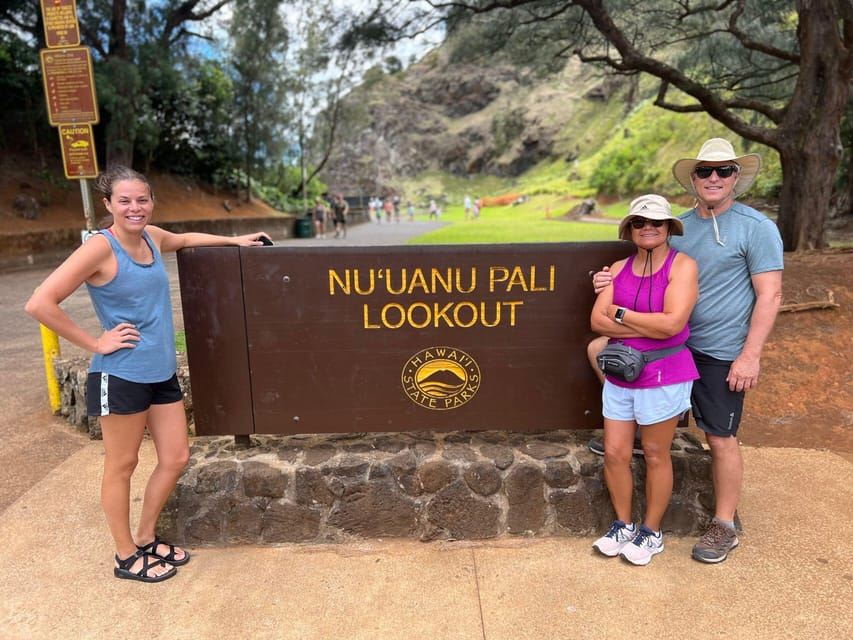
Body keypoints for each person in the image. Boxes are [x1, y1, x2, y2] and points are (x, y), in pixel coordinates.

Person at [24, 165, 270, 583]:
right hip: (120, 375)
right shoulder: (101, 248)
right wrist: (95, 342)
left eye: (142, 200)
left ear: (151, 202)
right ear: (108, 205)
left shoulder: (152, 238)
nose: (135, 208)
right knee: (122, 464)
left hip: (160, 373)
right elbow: (39, 302)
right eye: (125, 201)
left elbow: (186, 239)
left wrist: (235, 240)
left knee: (175, 457)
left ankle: (145, 536)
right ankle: (125, 556)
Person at [589, 138, 783, 563]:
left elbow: (769, 296)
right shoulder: (673, 224)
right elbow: (641, 272)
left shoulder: (756, 227)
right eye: (705, 171)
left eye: (724, 171)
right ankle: (636, 434)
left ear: (736, 177)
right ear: (693, 178)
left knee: (720, 438)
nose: (714, 178)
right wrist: (609, 282)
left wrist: (749, 355)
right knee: (597, 348)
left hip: (718, 349)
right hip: (660, 348)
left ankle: (724, 524)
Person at [590, 195, 699, 566]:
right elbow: (596, 321)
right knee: (616, 452)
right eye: (639, 222)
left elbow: (673, 324)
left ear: (669, 228)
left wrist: (620, 313)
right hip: (622, 373)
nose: (648, 228)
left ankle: (651, 532)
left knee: (655, 453)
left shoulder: (681, 266)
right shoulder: (618, 268)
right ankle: (623, 523)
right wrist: (644, 322)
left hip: (664, 373)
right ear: (630, 229)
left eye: (656, 222)